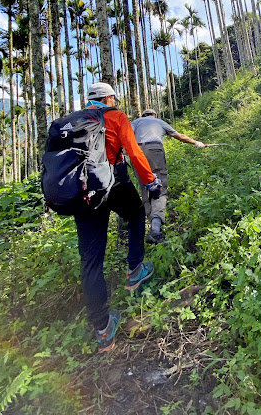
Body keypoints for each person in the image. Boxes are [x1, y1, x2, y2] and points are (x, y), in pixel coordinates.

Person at [76, 83, 162, 353]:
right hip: (111, 183)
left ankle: (103, 331)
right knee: (136, 214)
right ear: (108, 98)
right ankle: (135, 269)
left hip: (81, 193)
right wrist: (151, 183)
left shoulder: (72, 121)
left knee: (90, 259)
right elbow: (134, 153)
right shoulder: (116, 116)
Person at [131, 109, 206, 244]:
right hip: (155, 150)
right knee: (159, 186)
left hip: (136, 152)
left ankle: (152, 225)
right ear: (154, 115)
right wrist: (196, 142)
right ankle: (155, 228)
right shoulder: (159, 122)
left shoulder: (135, 122)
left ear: (143, 116)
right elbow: (179, 136)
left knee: (145, 187)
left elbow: (126, 136)